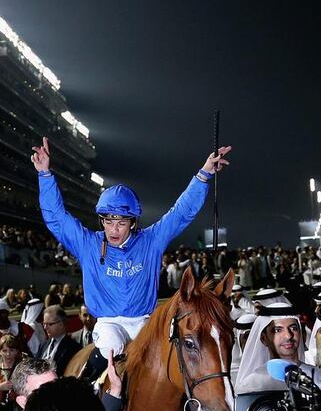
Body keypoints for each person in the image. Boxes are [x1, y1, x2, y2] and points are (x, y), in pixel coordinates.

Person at [32, 136, 231, 368]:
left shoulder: (151, 241)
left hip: (145, 323)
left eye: (121, 223)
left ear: (133, 222)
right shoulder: (87, 243)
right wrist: (45, 175)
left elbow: (181, 212)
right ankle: (94, 392)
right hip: (108, 325)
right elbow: (56, 218)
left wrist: (204, 174)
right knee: (111, 344)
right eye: (108, 221)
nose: (113, 230)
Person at [37, 305, 81, 376]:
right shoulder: (44, 345)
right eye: (44, 324)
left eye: (49, 324)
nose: (45, 327)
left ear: (61, 324)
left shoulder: (73, 348)